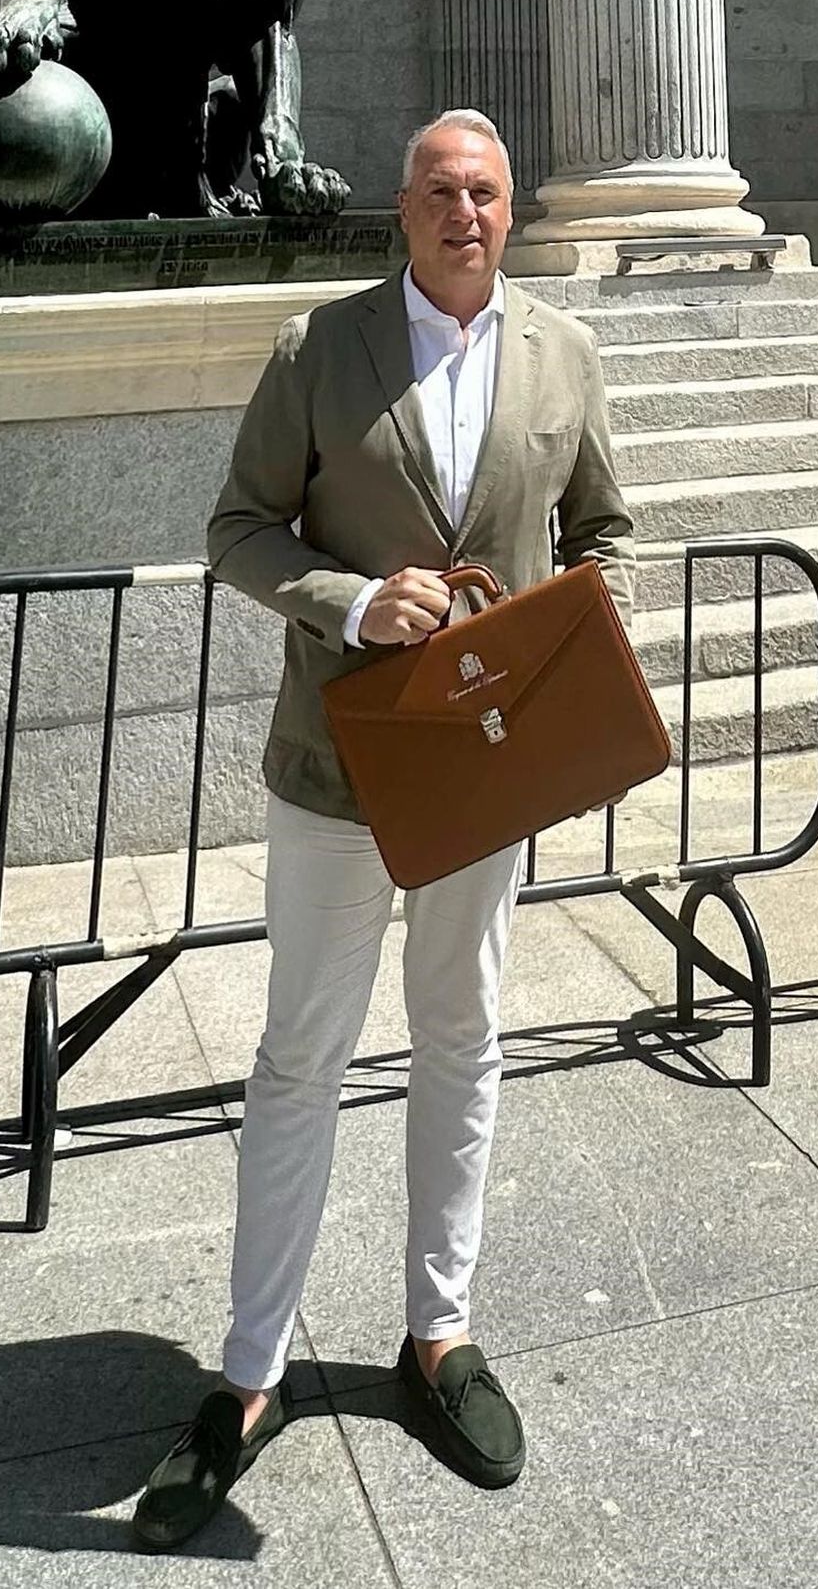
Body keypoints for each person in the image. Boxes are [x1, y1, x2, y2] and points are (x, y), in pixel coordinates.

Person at [132, 109, 635, 1550]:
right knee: (302, 1051)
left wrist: (550, 633)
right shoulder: (318, 350)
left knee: (465, 1036)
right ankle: (246, 1376)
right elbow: (239, 528)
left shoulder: (565, 355)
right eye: (436, 192)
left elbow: (605, 532)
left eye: (481, 191)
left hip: (488, 773)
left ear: (510, 207)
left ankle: (440, 1334)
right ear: (400, 212)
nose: (461, 212)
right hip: (341, 769)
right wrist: (355, 603)